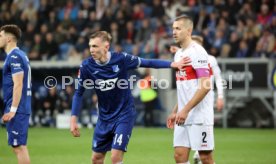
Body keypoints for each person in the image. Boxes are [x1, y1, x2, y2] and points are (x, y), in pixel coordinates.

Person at [70, 31, 190, 164]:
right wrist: (73, 120)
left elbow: (147, 62)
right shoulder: (86, 66)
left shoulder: (121, 59)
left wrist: (172, 64)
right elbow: (78, 93)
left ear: (106, 46)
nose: (91, 50)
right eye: (90, 46)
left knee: (115, 157)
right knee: (96, 159)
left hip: (124, 114)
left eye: (95, 46)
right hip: (104, 118)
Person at [167, 15, 215, 164]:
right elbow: (184, 89)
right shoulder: (178, 55)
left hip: (199, 116)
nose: (174, 32)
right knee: (179, 156)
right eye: (173, 28)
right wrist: (176, 110)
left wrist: (185, 110)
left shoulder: (198, 52)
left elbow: (205, 86)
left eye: (178, 28)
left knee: (205, 157)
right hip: (183, 114)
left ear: (189, 30)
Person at [0, 24, 32, 164]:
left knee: (19, 147)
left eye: (0, 36)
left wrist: (12, 110)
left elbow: (18, 84)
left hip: (17, 107)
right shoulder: (19, 55)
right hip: (19, 106)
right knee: (16, 146)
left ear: (8, 39)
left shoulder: (14, 56)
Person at [191, 35, 224, 164]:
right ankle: (198, 152)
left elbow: (218, 78)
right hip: (191, 102)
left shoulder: (210, 59)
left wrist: (220, 97)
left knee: (205, 129)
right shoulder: (187, 59)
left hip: (205, 102)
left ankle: (200, 153)